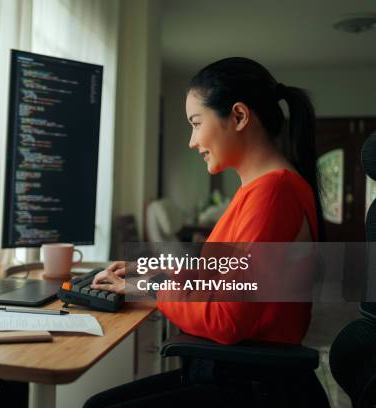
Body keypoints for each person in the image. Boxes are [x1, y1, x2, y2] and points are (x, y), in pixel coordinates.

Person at [83, 57, 329, 407]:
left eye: (196, 124)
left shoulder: (274, 193)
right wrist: (152, 272)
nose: (192, 141)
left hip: (252, 385)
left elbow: (228, 319)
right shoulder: (260, 189)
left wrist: (152, 288)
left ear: (240, 117)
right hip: (236, 370)